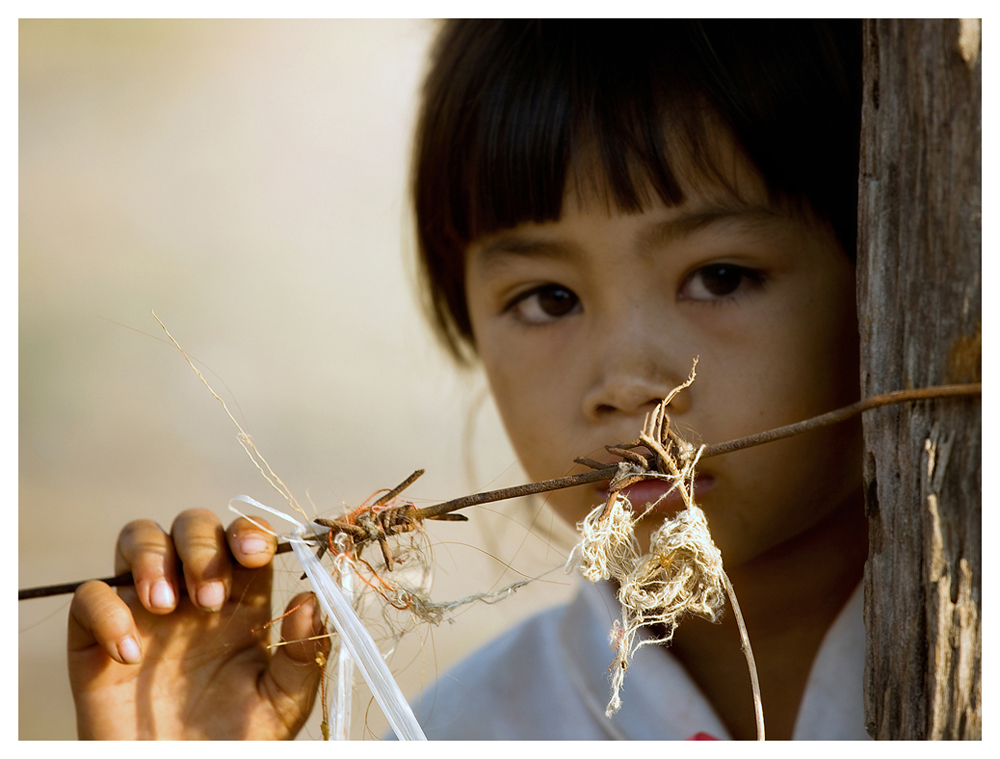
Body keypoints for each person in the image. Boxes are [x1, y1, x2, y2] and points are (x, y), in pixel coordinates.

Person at [67, 20, 869, 740]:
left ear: (887, 281)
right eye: (549, 299)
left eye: (721, 276)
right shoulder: (469, 728)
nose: (626, 383)